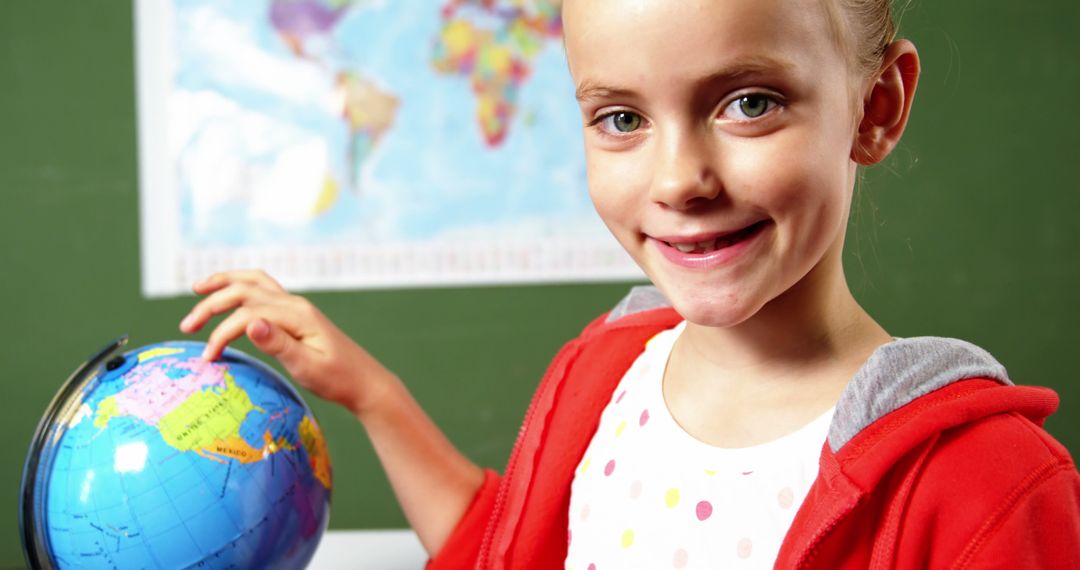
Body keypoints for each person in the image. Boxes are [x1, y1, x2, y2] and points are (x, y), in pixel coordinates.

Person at [180, 0, 1080, 567]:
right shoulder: (606, 371)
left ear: (876, 108)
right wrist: (372, 396)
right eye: (620, 118)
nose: (679, 179)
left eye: (750, 103)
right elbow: (513, 549)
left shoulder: (991, 487)